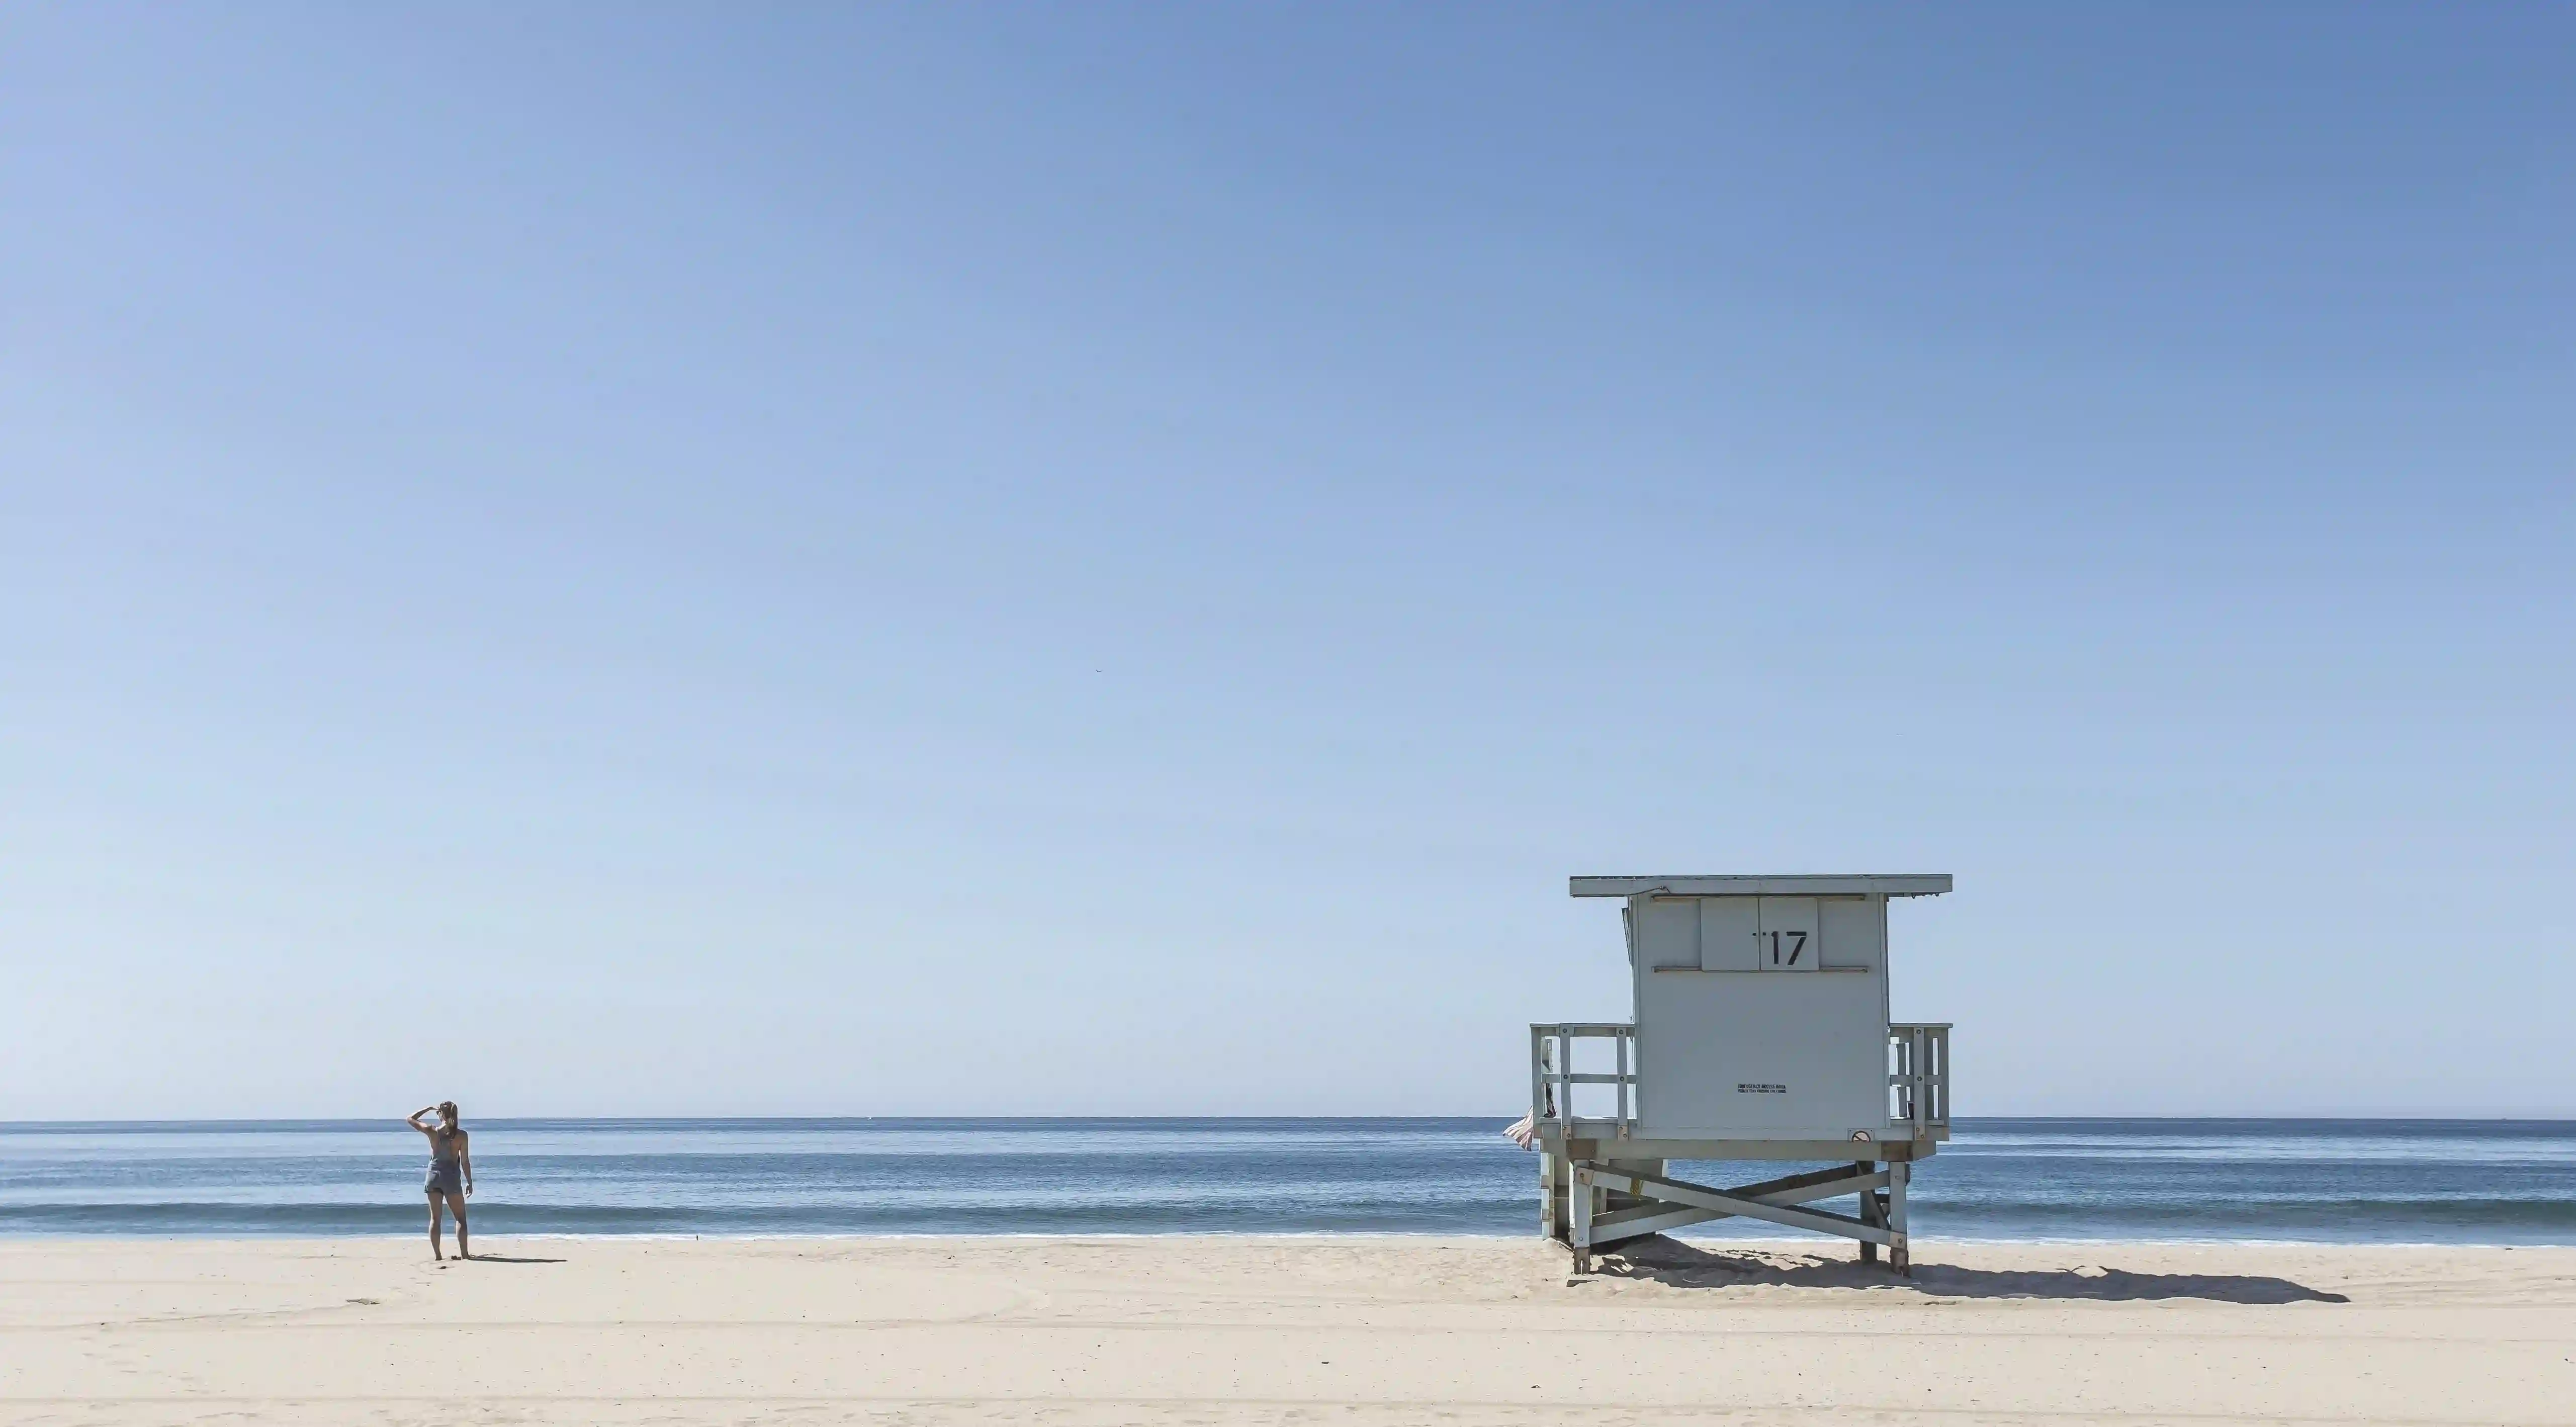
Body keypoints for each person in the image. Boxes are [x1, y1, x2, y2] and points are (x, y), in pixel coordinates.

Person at [406, 1101, 473, 1260]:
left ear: (441, 1114)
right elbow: (465, 1161)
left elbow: (410, 1119)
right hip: (451, 1178)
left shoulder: (432, 1131)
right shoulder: (462, 1136)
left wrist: (428, 1109)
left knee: (436, 1219)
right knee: (460, 1218)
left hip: (434, 1177)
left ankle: (438, 1255)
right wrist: (469, 1181)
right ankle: (465, 1255)